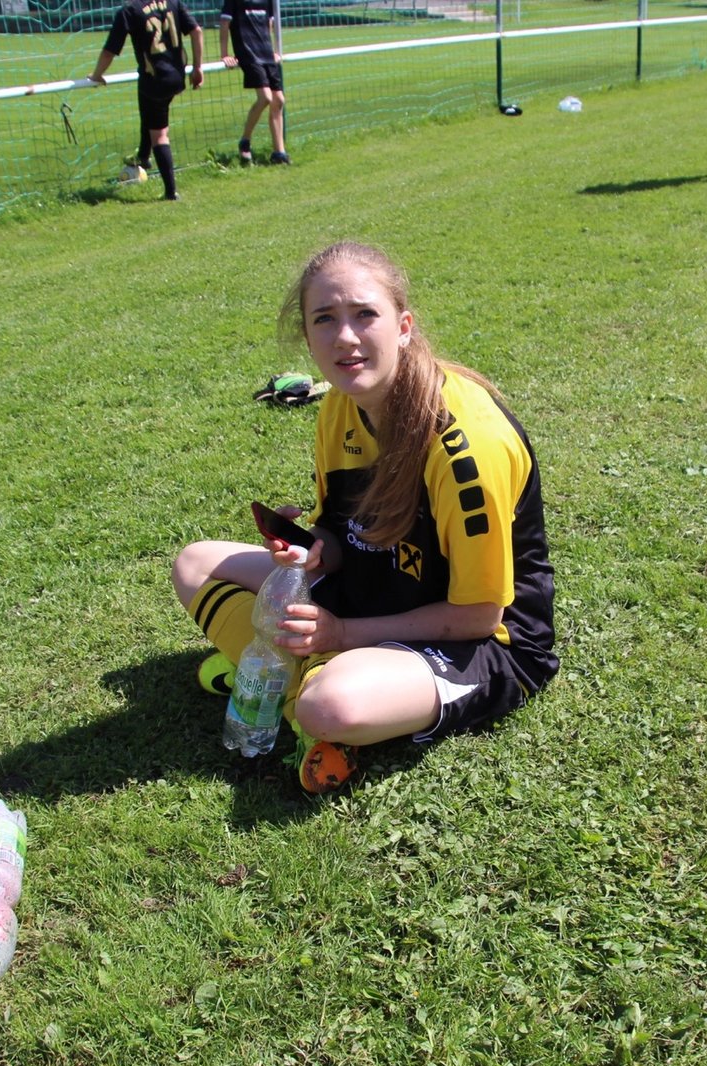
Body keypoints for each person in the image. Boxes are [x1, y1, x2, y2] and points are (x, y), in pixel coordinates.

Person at [171, 242, 558, 793]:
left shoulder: (466, 449)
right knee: (195, 564)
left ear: (403, 327)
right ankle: (289, 675)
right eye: (325, 319)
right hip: (376, 588)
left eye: (364, 314)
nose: (345, 338)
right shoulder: (340, 404)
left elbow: (478, 614)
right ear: (308, 337)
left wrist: (342, 633)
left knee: (331, 705)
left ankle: (288, 684)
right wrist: (310, 550)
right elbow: (337, 533)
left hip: (478, 639)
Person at [88, 0, 206, 201]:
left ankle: (171, 192)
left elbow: (110, 50)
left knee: (159, 135)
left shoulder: (129, 10)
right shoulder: (173, 2)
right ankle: (143, 156)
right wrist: (197, 67)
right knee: (148, 107)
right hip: (176, 75)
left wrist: (97, 74)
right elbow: (197, 31)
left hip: (155, 79)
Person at [220, 0, 290, 165]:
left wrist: (271, 49)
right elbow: (224, 23)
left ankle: (279, 153)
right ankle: (245, 140)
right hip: (248, 53)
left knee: (279, 100)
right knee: (265, 97)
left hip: (265, 52)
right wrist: (224, 54)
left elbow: (269, 22)